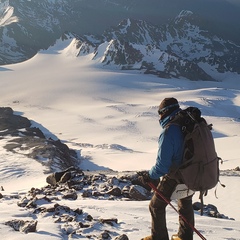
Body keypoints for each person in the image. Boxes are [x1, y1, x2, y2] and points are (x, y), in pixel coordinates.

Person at [139, 97, 194, 240]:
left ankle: (159, 238)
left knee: (156, 205)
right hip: (192, 172)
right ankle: (185, 236)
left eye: (159, 113)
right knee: (185, 203)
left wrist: (150, 175)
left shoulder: (169, 131)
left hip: (176, 175)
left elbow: (162, 165)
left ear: (164, 112)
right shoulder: (187, 124)